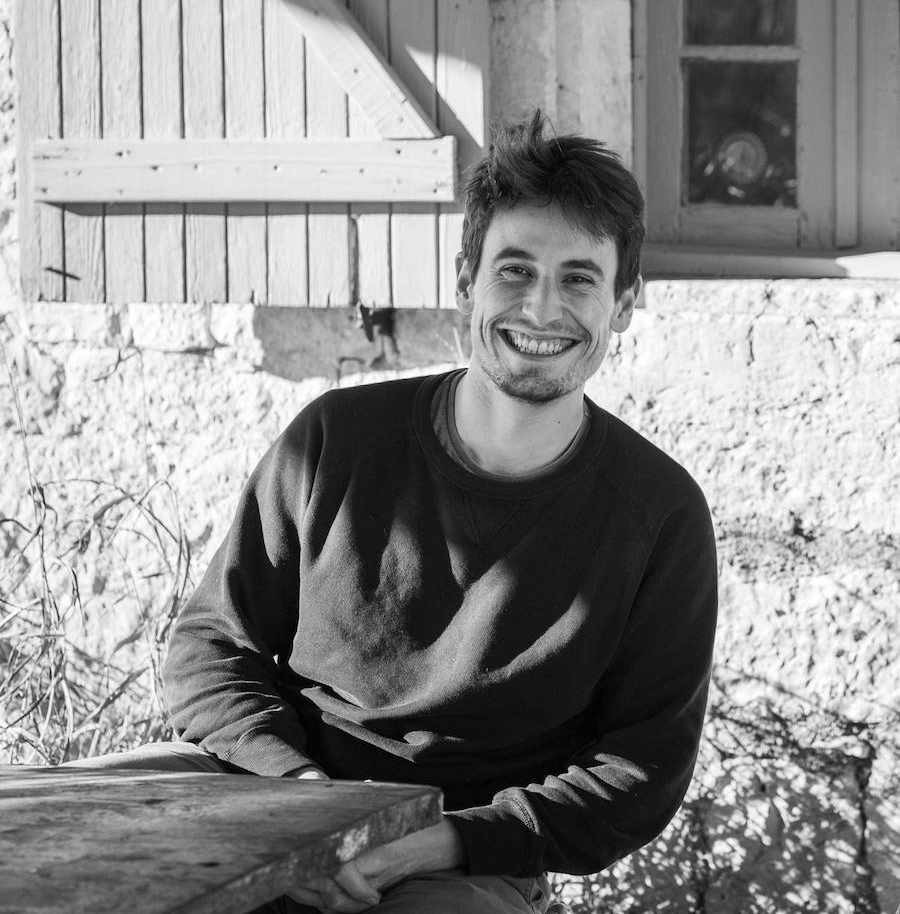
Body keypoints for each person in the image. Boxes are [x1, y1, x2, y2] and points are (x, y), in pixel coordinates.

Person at [89, 113, 718, 913]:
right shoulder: (335, 440)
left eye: (579, 280)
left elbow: (640, 770)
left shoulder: (659, 515)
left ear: (624, 302)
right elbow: (212, 649)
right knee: (47, 830)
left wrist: (433, 843)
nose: (541, 308)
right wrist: (306, 804)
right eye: (515, 270)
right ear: (465, 281)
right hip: (269, 792)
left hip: (456, 860)